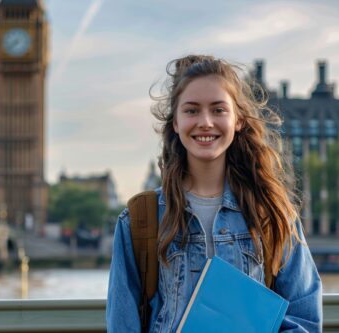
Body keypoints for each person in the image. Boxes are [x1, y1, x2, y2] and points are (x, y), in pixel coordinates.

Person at [106, 55, 322, 332]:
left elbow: (304, 319)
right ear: (175, 122)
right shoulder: (140, 220)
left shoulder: (272, 214)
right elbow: (122, 325)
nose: (205, 122)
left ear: (239, 120)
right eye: (192, 110)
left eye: (219, 110)